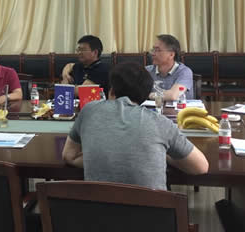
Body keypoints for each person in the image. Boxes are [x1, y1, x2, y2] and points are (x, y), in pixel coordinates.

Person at [62, 62, 209, 189]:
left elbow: (69, 156)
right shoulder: (161, 123)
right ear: (144, 97)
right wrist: (162, 155)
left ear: (111, 91)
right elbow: (201, 167)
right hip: (153, 212)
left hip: (99, 211)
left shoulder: (89, 111)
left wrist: (100, 158)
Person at [146, 34, 194, 100]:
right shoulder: (147, 71)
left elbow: (172, 95)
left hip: (179, 107)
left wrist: (147, 95)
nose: (153, 53)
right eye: (153, 50)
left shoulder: (184, 72)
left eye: (158, 50)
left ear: (171, 55)